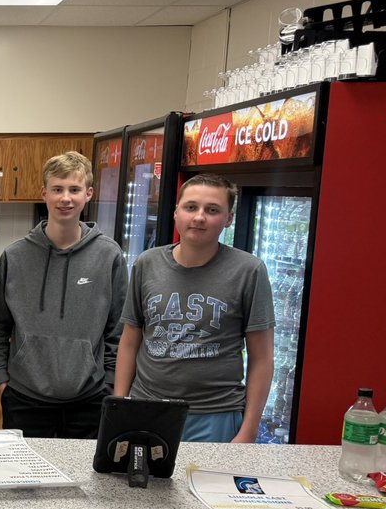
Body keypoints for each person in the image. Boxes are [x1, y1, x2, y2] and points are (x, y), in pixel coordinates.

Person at [114, 173, 275, 443]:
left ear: (229, 219)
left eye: (212, 210)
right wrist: (119, 408)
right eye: (191, 207)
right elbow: (130, 341)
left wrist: (249, 429)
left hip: (216, 414)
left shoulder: (249, 271)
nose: (199, 217)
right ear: (176, 212)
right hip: (146, 407)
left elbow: (262, 358)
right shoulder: (146, 263)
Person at [0, 151, 126, 438]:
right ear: (44, 193)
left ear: (88, 194)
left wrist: (110, 383)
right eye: (57, 189)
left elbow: (118, 330)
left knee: (83, 469)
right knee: (25, 469)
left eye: (74, 189)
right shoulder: (15, 256)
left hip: (90, 399)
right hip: (24, 398)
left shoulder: (108, 255)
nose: (65, 198)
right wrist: (2, 381)